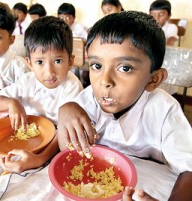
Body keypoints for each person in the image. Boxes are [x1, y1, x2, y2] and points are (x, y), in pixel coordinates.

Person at [57, 11, 192, 201]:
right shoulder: (88, 100)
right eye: (96, 66)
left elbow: (189, 169)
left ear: (154, 79)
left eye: (125, 68)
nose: (105, 81)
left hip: (146, 188)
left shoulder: (164, 110)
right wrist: (66, 110)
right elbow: (68, 152)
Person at [0, 16, 83, 173]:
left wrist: (40, 159)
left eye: (58, 61)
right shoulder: (27, 80)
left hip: (56, 144)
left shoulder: (72, 86)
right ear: (29, 63)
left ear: (70, 61)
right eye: (40, 62)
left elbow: (65, 131)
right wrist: (12, 104)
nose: (49, 72)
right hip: (27, 140)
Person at [150, 0, 179, 95]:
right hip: (152, 61)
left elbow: (171, 41)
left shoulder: (172, 27)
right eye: (153, 14)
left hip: (167, 60)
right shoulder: (148, 27)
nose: (156, 18)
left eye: (161, 14)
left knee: (165, 87)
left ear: (168, 15)